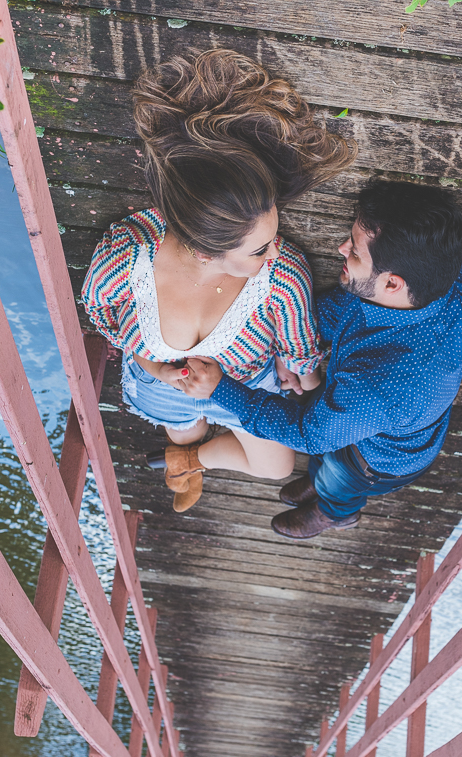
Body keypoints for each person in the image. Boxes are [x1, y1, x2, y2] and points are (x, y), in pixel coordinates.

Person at [81, 49, 355, 512]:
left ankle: (190, 460)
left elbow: (300, 356)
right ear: (207, 251)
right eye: (258, 249)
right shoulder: (127, 256)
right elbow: (100, 309)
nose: (276, 254)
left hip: (245, 388)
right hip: (161, 386)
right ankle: (184, 444)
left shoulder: (282, 275)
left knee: (276, 467)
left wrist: (319, 409)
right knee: (182, 421)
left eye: (272, 236)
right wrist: (157, 369)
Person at [176, 179, 462, 539]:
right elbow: (345, 310)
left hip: (376, 460)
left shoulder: (382, 386)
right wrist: (295, 344)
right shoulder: (445, 271)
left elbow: (306, 432)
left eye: (354, 253)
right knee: (328, 452)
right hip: (371, 411)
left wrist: (219, 387)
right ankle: (319, 482)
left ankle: (334, 512)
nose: (341, 247)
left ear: (392, 285)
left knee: (338, 476)